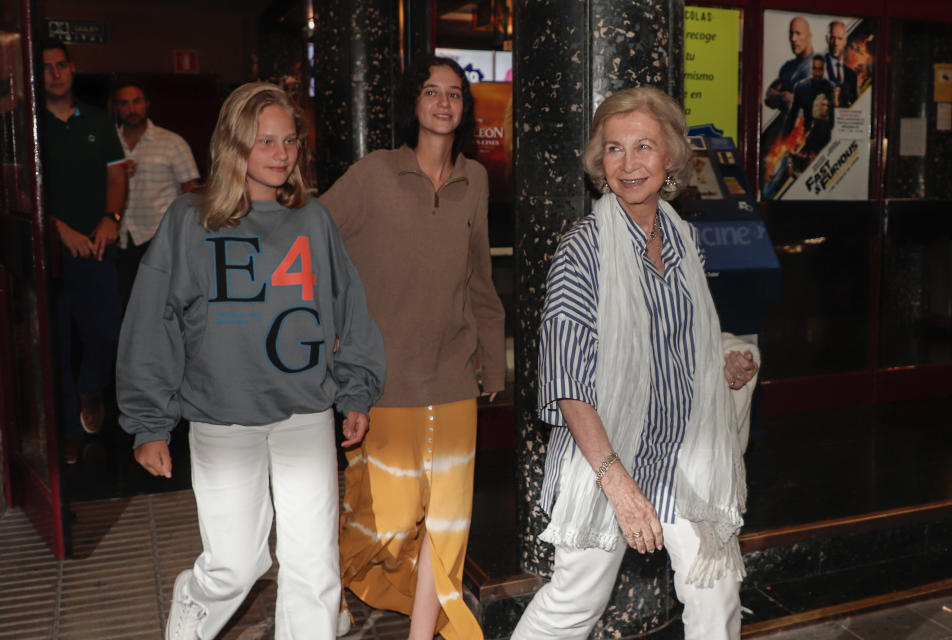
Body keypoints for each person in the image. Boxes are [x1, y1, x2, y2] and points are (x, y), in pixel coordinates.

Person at [116, 82, 385, 640]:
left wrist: (355, 389)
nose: (281, 154)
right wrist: (149, 422)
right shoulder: (191, 220)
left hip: (305, 414)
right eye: (265, 141)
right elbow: (153, 322)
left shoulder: (313, 219)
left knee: (314, 567)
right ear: (233, 144)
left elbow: (349, 307)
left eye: (289, 141)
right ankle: (190, 615)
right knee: (237, 565)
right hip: (221, 418)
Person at [511, 87, 759, 640]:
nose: (629, 164)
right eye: (615, 149)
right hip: (607, 455)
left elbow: (679, 342)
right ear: (600, 161)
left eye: (643, 146)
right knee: (575, 604)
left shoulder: (683, 239)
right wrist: (615, 482)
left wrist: (722, 363)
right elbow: (567, 377)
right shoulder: (583, 249)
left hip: (684, 454)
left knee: (714, 592)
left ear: (669, 156)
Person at [319, 55, 506, 640]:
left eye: (454, 93)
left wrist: (492, 355)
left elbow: (480, 275)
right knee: (390, 521)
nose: (444, 101)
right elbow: (313, 236)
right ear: (414, 103)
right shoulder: (376, 173)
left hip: (453, 373)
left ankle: (423, 634)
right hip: (385, 376)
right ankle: (330, 575)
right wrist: (332, 329)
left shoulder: (475, 180)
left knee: (446, 525)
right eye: (432, 91)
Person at [40, 39, 128, 463]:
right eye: (46, 68)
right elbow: (20, 189)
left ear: (72, 70)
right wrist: (58, 229)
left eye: (61, 66)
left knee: (108, 333)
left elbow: (116, 177)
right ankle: (68, 432)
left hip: (96, 249)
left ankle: (90, 388)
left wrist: (110, 217)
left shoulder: (97, 121)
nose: (55, 74)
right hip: (48, 253)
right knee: (55, 345)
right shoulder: (29, 126)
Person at [111, 81, 200, 303]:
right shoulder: (109, 141)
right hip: (118, 237)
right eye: (124, 103)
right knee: (123, 305)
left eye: (136, 102)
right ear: (116, 108)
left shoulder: (172, 142)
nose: (131, 109)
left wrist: (186, 237)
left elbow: (191, 190)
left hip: (159, 237)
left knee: (160, 304)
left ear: (146, 104)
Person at [764, 16, 815, 113]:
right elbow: (769, 97)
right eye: (791, 33)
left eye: (798, 33)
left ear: (809, 36)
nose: (793, 39)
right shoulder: (788, 66)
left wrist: (780, 96)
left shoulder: (818, 67)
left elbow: (809, 108)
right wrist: (784, 97)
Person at [783, 55, 834, 136]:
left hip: (828, 133)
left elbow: (834, 115)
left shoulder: (831, 88)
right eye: (815, 69)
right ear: (811, 69)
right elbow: (793, 115)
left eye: (820, 69)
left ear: (824, 69)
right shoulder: (801, 87)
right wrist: (784, 137)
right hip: (808, 134)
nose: (817, 73)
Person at [824, 21, 858, 107]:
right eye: (833, 38)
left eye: (839, 38)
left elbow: (854, 105)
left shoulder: (852, 75)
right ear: (827, 39)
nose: (836, 43)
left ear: (845, 41)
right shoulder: (818, 68)